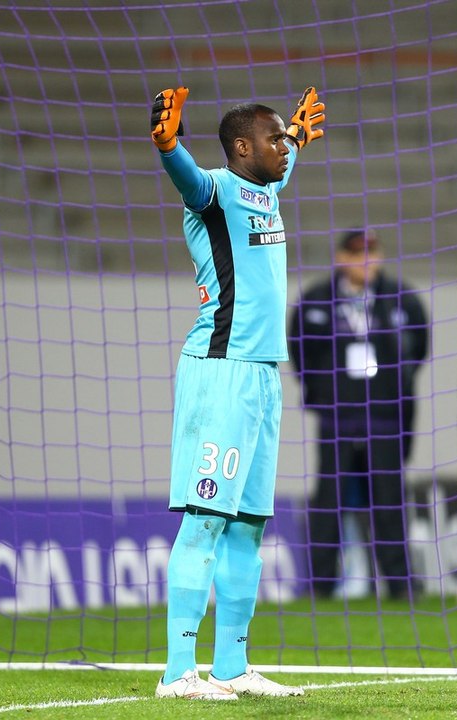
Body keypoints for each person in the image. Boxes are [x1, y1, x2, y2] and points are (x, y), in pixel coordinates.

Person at [150, 84, 323, 700]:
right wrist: (168, 145)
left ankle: (231, 667)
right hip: (221, 371)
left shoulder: (266, 188)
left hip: (263, 378)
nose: (285, 148)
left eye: (285, 139)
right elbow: (188, 180)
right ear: (243, 148)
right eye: (273, 140)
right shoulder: (216, 191)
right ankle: (178, 672)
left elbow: (283, 162)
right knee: (205, 520)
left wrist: (294, 135)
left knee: (248, 527)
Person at [288, 228, 428, 602]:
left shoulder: (402, 299)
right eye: (355, 253)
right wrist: (326, 392)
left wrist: (394, 387)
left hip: (385, 416)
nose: (364, 260)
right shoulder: (316, 300)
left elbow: (418, 349)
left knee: (389, 500)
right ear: (341, 257)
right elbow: (301, 353)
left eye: (370, 252)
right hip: (337, 417)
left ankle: (400, 584)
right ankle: (321, 585)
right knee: (328, 500)